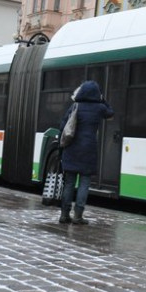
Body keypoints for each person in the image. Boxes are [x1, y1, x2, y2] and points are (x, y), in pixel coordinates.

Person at [58, 80, 114, 225]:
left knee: (69, 183)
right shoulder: (99, 108)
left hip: (71, 150)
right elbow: (111, 113)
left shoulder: (74, 106)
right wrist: (103, 100)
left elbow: (63, 125)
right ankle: (77, 216)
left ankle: (64, 215)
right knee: (84, 183)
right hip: (88, 150)